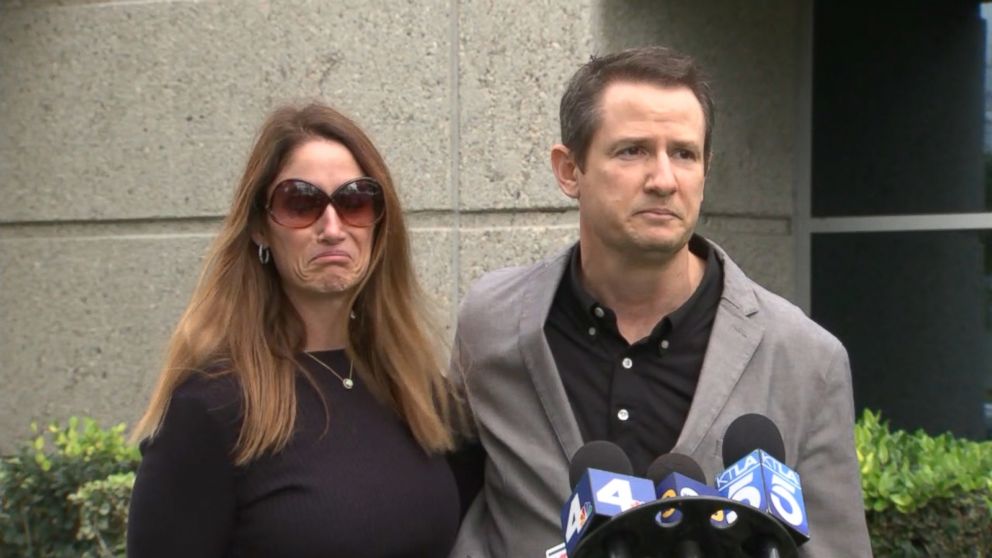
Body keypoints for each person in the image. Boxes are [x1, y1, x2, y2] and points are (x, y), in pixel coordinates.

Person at [447, 46, 872, 557]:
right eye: (633, 151)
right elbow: (452, 515)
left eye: (684, 154)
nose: (664, 180)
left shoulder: (806, 359)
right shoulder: (491, 321)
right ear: (569, 170)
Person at [128, 102, 466, 557]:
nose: (332, 228)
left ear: (379, 223)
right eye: (300, 203)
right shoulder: (208, 410)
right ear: (260, 229)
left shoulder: (416, 393)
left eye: (355, 201)